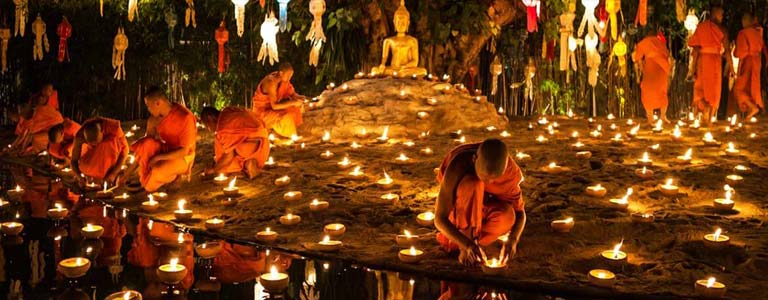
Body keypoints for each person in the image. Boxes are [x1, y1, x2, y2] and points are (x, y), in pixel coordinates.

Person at [434, 139, 526, 266]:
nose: (489, 182)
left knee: (508, 216)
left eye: (495, 179)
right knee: (472, 184)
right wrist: (466, 244)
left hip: (485, 214)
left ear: (505, 167)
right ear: (474, 159)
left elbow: (520, 213)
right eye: (485, 176)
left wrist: (513, 240)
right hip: (460, 216)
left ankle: (469, 245)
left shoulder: (510, 173)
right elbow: (439, 218)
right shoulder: (457, 166)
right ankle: (462, 244)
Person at [125, 87, 197, 192]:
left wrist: (158, 158)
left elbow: (184, 151)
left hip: (184, 157)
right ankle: (150, 179)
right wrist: (127, 173)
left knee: (158, 171)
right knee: (146, 143)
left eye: (149, 106)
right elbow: (143, 149)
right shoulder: (154, 120)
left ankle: (174, 176)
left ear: (158, 103)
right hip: (166, 150)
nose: (148, 109)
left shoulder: (185, 117)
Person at [688, 6, 734, 125]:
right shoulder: (722, 29)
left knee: (700, 88)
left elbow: (696, 49)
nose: (722, 17)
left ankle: (705, 114)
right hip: (714, 61)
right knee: (714, 90)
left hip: (702, 61)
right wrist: (732, 68)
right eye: (721, 14)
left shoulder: (701, 27)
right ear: (714, 14)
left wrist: (692, 69)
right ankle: (708, 118)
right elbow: (728, 50)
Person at [200, 106, 270, 179]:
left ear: (210, 118)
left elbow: (229, 156)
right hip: (264, 148)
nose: (209, 129)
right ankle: (249, 163)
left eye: (207, 126)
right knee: (224, 156)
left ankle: (247, 164)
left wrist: (214, 169)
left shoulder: (223, 127)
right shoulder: (228, 111)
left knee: (224, 164)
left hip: (249, 148)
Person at [251, 63, 306, 138]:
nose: (289, 78)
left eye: (291, 76)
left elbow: (292, 93)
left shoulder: (283, 79)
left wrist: (300, 97)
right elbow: (275, 106)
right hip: (263, 111)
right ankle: (291, 135)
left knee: (294, 109)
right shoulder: (271, 82)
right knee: (287, 117)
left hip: (274, 107)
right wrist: (292, 102)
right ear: (281, 73)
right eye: (288, 76)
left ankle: (280, 131)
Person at [71, 117, 129, 185]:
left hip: (109, 157)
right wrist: (79, 176)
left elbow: (125, 151)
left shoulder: (113, 127)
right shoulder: (80, 136)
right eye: (92, 144)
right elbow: (74, 161)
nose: (95, 145)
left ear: (102, 130)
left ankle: (106, 172)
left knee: (110, 141)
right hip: (90, 161)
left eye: (97, 142)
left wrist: (113, 173)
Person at [633, 28, 672, 125]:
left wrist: (640, 70)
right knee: (662, 91)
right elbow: (667, 56)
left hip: (651, 68)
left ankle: (650, 118)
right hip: (662, 68)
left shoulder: (644, 42)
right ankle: (663, 116)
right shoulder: (660, 43)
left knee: (647, 92)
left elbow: (637, 59)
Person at [733, 12, 767, 119]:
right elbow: (762, 48)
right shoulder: (758, 33)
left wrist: (735, 53)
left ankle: (753, 107)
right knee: (751, 86)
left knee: (738, 89)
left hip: (748, 61)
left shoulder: (743, 33)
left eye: (744, 19)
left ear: (750, 21)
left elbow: (741, 52)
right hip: (757, 61)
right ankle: (753, 109)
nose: (742, 22)